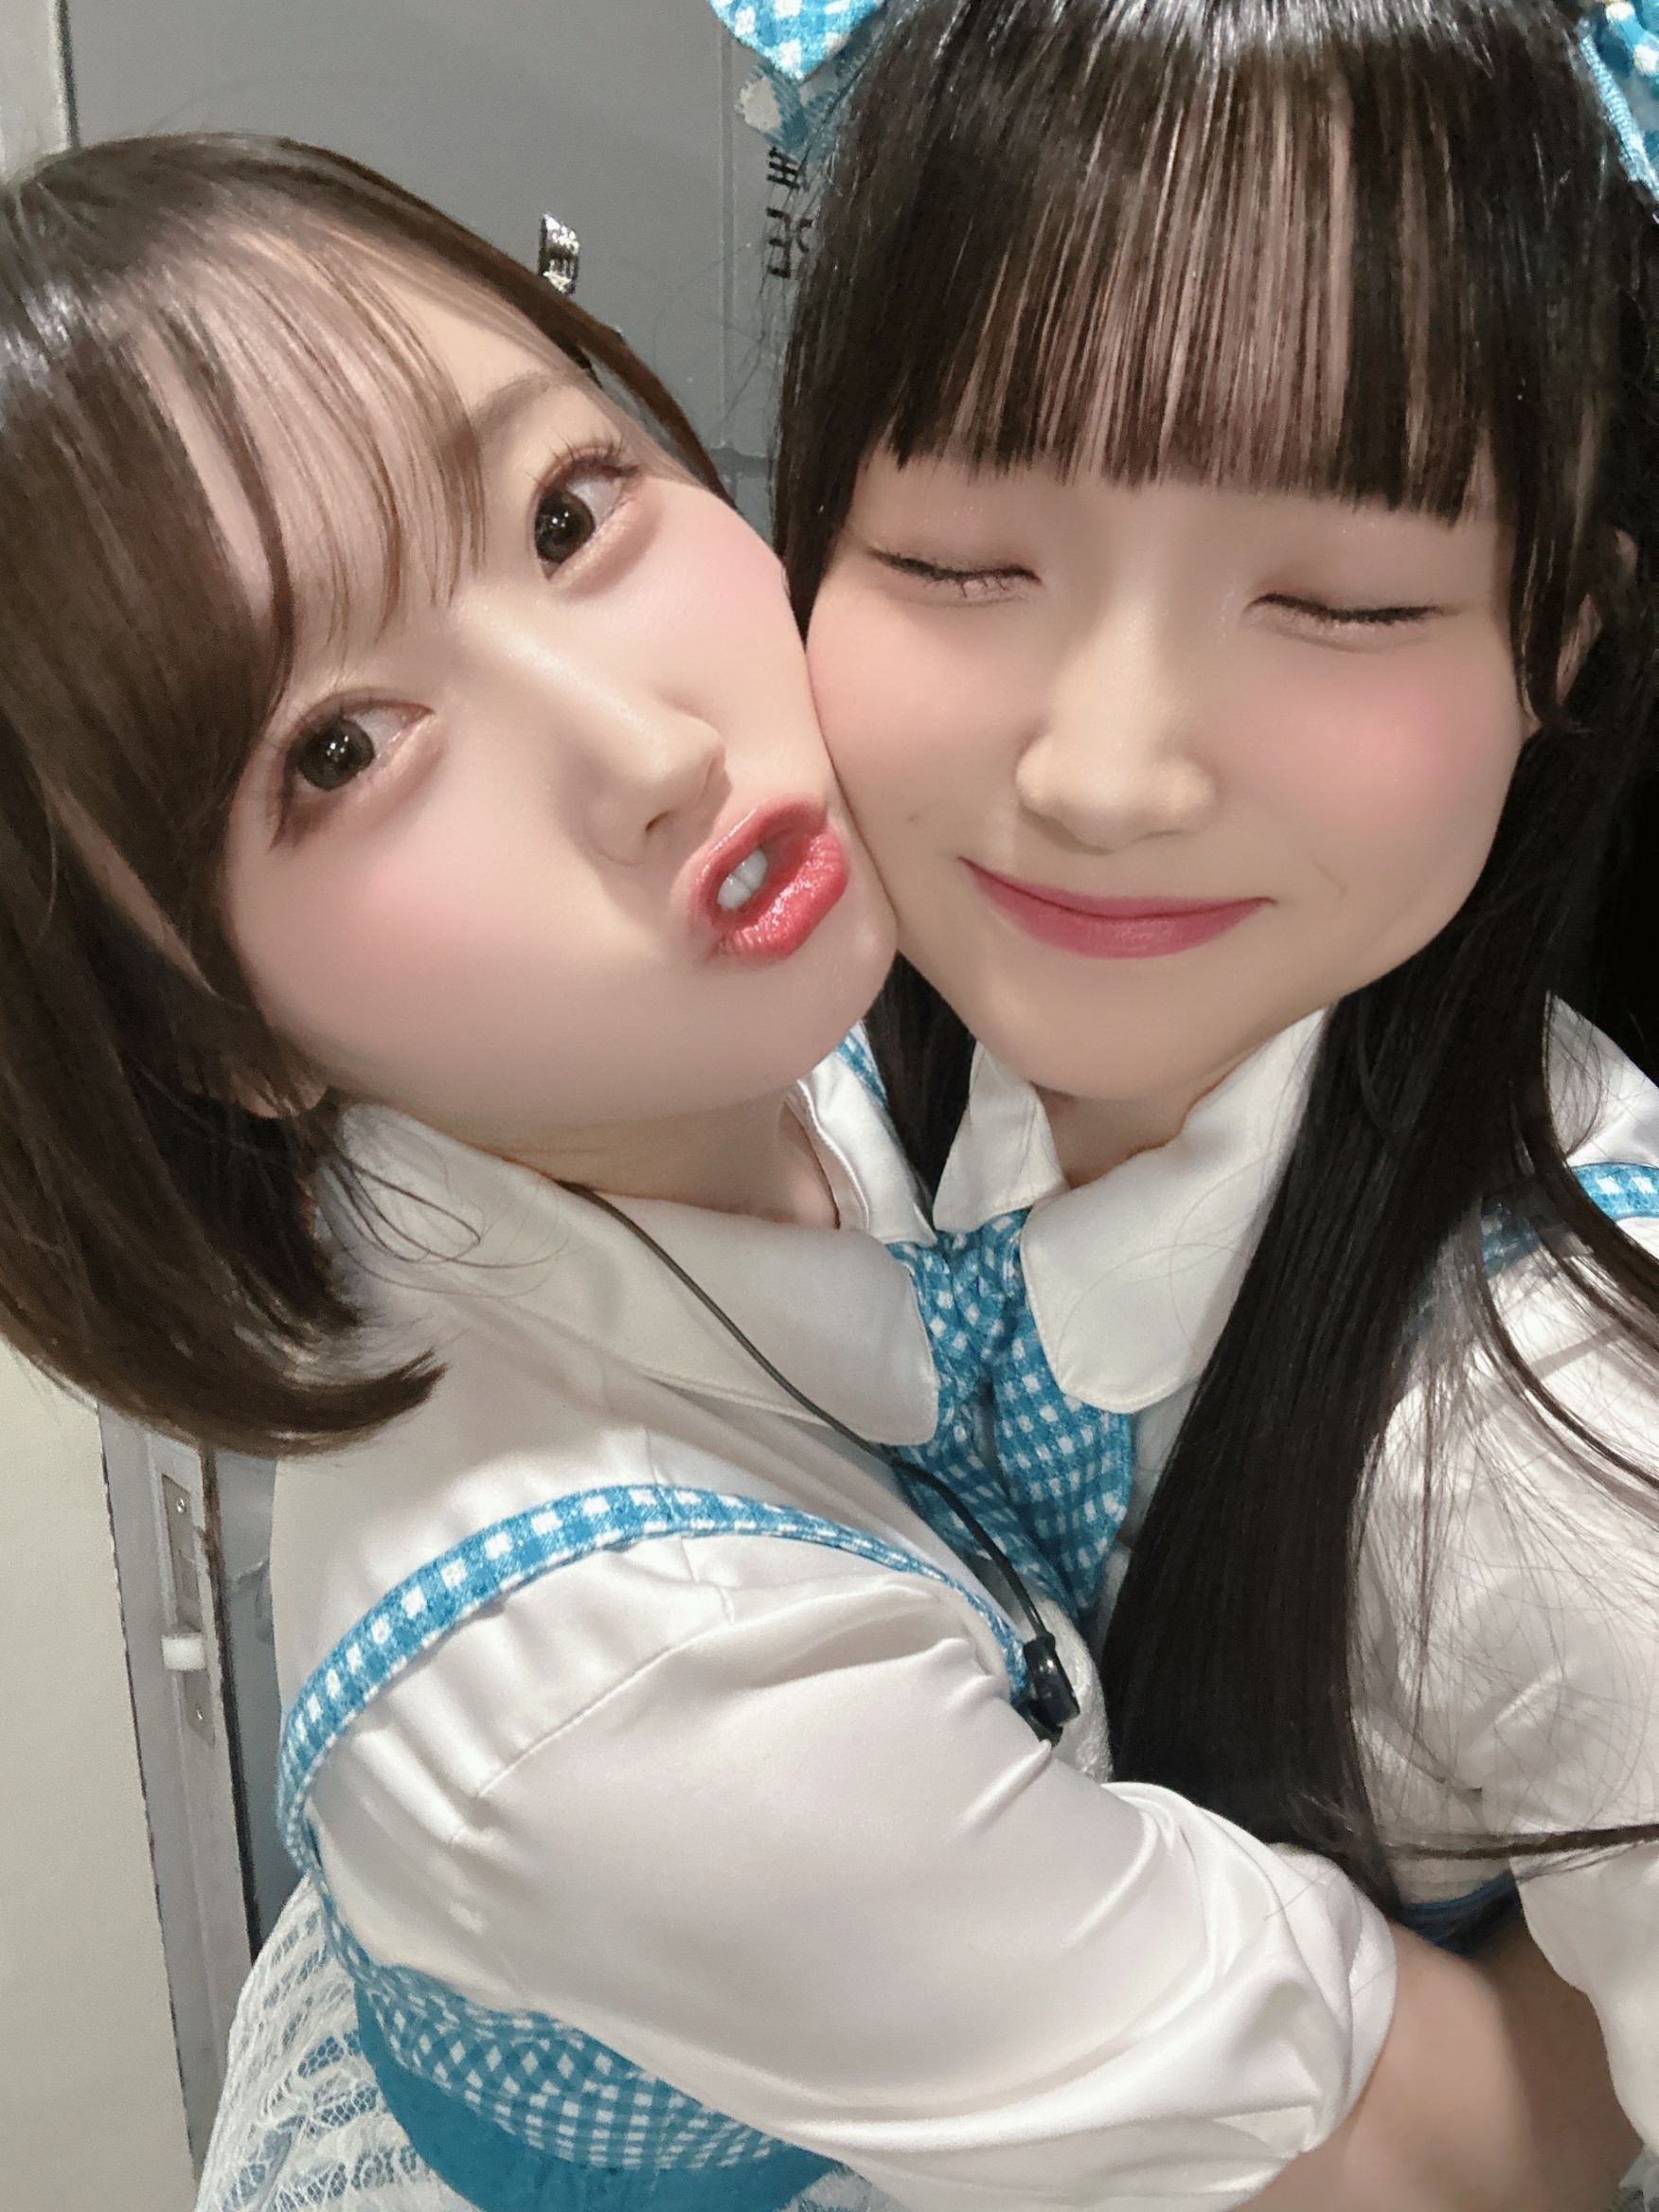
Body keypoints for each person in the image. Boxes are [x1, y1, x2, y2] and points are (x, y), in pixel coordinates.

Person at [0, 126, 1614, 2212]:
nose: (650, 747)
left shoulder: (737, 1028)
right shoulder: (619, 1675)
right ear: (209, 1036)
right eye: (340, 749)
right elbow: (1437, 2155)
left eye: (567, 510)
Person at [776, 0, 1659, 2167]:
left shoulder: (1563, 1445)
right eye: (958, 560)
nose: (1105, 772)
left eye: (1339, 601)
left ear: (1559, 635)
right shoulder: (778, 1053)